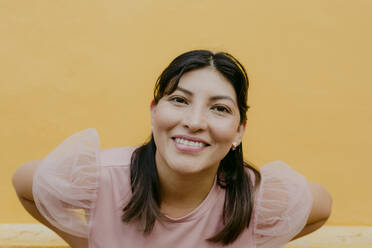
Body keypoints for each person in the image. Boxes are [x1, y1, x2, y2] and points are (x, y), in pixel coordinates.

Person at [12, 50, 332, 248]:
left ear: (239, 131)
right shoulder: (102, 178)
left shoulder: (255, 198)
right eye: (179, 100)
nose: (194, 122)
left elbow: (322, 206)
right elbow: (24, 182)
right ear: (154, 112)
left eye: (219, 108)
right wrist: (86, 243)